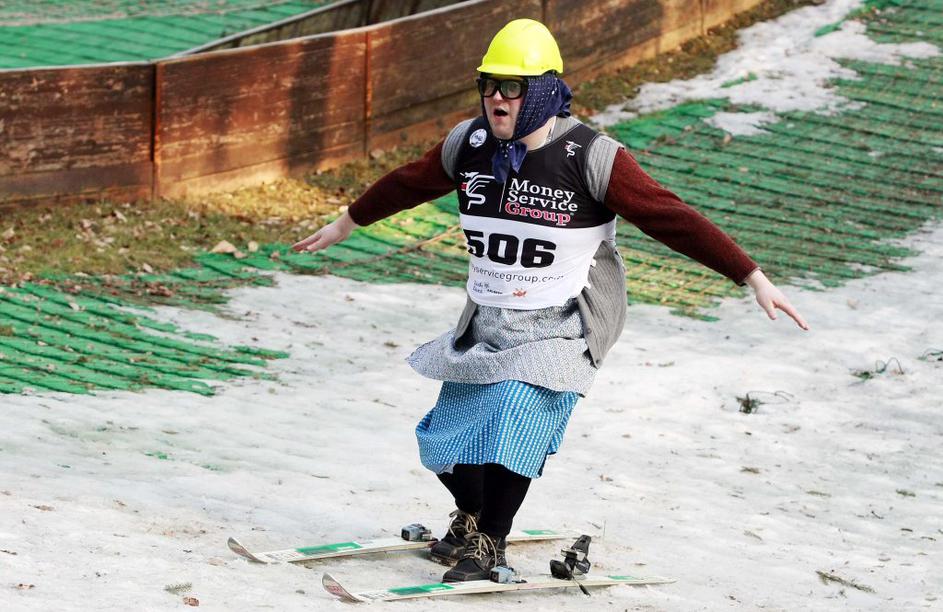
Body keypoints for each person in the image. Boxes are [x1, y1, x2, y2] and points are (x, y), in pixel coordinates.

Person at [292, 18, 808, 582]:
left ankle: (490, 542)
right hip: (491, 317)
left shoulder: (591, 156)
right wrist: (347, 222)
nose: (496, 98)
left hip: (566, 322)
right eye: (488, 84)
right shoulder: (470, 144)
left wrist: (750, 275)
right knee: (442, 441)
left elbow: (670, 216)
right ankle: (471, 516)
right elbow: (409, 181)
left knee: (513, 419)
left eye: (512, 88)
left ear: (541, 91)